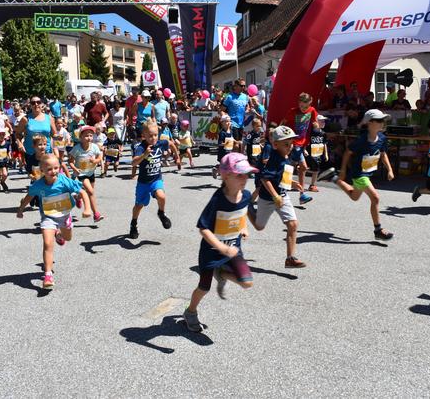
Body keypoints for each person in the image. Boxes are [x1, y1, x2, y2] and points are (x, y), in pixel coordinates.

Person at [183, 153, 256, 332]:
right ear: (225, 175)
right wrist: (222, 247)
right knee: (204, 287)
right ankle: (190, 312)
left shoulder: (246, 195)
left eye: (247, 174)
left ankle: (222, 274)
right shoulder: (218, 199)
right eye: (239, 174)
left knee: (247, 282)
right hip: (212, 252)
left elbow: (242, 211)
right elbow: (203, 228)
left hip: (233, 249)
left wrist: (244, 226)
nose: (245, 178)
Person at [17, 154, 92, 290]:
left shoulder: (64, 181)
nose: (53, 171)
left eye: (56, 168)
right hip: (48, 217)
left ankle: (60, 234)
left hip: (64, 216)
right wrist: (20, 209)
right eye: (49, 169)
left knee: (67, 238)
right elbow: (28, 197)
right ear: (42, 170)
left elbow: (83, 192)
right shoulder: (38, 185)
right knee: (47, 243)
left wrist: (87, 209)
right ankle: (48, 275)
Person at [247, 125, 306, 268]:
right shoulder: (274, 159)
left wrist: (292, 183)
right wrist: (274, 196)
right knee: (259, 227)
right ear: (275, 144)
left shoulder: (286, 157)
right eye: (286, 144)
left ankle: (290, 258)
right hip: (268, 198)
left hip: (282, 196)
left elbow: (280, 177)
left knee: (292, 224)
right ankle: (248, 209)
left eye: (291, 143)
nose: (290, 146)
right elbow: (265, 179)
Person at [334, 109, 395, 240]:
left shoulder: (382, 138)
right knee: (375, 198)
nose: (383, 123)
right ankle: (378, 229)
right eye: (379, 121)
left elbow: (383, 154)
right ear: (370, 123)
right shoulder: (361, 141)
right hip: (359, 174)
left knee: (354, 197)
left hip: (368, 173)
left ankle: (334, 179)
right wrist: (343, 170)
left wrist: (389, 169)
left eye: (383, 120)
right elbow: (347, 152)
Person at [129, 120, 181, 239]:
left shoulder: (160, 143)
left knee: (161, 196)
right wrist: (144, 155)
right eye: (150, 136)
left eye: (155, 135)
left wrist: (177, 157)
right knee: (139, 206)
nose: (153, 138)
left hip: (156, 179)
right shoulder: (141, 147)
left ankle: (161, 213)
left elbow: (171, 144)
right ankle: (133, 223)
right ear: (144, 135)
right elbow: (133, 163)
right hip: (143, 182)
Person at [68, 126, 104, 222]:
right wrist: (75, 169)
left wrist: (95, 160)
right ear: (80, 137)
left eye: (91, 136)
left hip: (91, 173)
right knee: (91, 192)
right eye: (86, 136)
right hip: (81, 174)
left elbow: (100, 157)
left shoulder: (95, 147)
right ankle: (96, 214)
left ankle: (78, 197)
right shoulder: (77, 149)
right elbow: (70, 161)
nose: (89, 138)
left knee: (89, 192)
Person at [288, 92, 317, 205]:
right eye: (301, 106)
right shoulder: (292, 112)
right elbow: (283, 124)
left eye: (306, 107)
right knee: (299, 167)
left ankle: (301, 194)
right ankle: (300, 194)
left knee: (294, 167)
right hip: (293, 143)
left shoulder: (312, 110)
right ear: (298, 103)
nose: (304, 109)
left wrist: (316, 125)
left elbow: (315, 121)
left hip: (302, 144)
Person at [16, 96, 56, 169]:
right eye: (33, 103)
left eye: (38, 102)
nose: (36, 104)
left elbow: (54, 134)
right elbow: (17, 134)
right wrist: (20, 144)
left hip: (46, 152)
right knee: (35, 176)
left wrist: (59, 137)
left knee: (47, 176)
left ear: (42, 104)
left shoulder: (49, 118)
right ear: (30, 105)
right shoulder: (26, 119)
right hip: (31, 153)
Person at [306, 115, 330, 192]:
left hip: (318, 153)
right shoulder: (311, 132)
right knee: (315, 169)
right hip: (310, 153)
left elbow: (324, 144)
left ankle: (312, 185)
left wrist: (326, 154)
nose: (324, 123)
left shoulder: (323, 133)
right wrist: (304, 150)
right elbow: (305, 141)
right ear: (316, 122)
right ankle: (311, 185)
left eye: (324, 121)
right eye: (321, 121)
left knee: (316, 169)